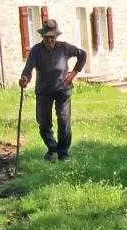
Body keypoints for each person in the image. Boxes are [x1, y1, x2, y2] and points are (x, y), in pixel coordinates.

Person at [19, 19, 87, 160]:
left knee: (63, 119)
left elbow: (82, 55)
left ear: (56, 36)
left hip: (63, 90)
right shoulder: (36, 51)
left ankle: (63, 152)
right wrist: (25, 79)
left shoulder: (64, 48)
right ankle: (52, 148)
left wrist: (73, 74)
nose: (50, 40)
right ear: (42, 36)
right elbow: (28, 69)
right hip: (43, 91)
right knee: (43, 122)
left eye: (52, 37)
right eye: (47, 37)